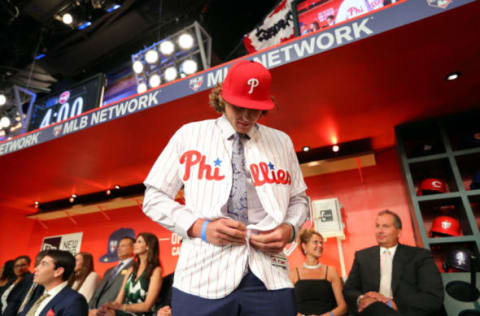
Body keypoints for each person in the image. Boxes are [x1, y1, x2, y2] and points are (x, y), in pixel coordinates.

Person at [143, 59, 309, 316]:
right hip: (201, 275)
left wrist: (290, 228)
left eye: (254, 109)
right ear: (222, 97)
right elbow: (153, 197)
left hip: (268, 276)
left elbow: (299, 199)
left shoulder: (281, 142)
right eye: (238, 106)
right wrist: (200, 227)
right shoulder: (189, 135)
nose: (245, 117)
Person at [343, 210, 444, 316]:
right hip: (370, 311)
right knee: (376, 307)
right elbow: (349, 290)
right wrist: (363, 299)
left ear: (399, 232)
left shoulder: (419, 256)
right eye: (377, 226)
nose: (380, 231)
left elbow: (433, 296)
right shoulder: (362, 256)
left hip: (403, 312)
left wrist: (391, 303)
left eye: (385, 226)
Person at [96, 233, 162, 316]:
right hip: (124, 312)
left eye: (139, 242)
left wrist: (122, 307)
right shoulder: (131, 269)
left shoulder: (156, 271)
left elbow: (147, 306)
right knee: (100, 313)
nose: (135, 244)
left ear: (148, 246)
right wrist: (108, 305)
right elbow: (118, 300)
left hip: (142, 314)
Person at [290, 229, 347, 316]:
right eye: (315, 242)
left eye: (321, 243)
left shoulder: (331, 271)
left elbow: (343, 307)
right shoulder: (293, 274)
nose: (320, 245)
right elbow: (288, 306)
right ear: (304, 246)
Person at [19, 249, 88, 316]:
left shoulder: (74, 301)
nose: (36, 269)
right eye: (39, 264)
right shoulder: (39, 297)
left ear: (58, 272)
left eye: (44, 264)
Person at [89, 237, 135, 312]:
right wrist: (90, 307)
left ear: (133, 248)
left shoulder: (135, 267)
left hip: (112, 311)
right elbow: (98, 291)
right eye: (118, 246)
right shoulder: (109, 271)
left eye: (123, 246)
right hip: (94, 310)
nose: (119, 248)